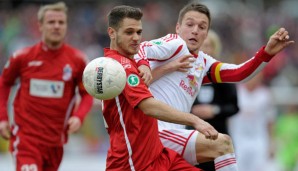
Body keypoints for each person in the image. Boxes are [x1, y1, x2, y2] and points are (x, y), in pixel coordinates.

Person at [134, 2, 294, 171]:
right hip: (155, 133)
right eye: (190, 24)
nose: (195, 30)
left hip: (173, 138)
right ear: (178, 28)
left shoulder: (203, 63)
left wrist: (266, 53)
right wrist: (144, 65)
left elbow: (239, 73)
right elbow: (142, 48)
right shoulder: (175, 43)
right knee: (223, 144)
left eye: (202, 27)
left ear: (206, 34)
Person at [102, 5, 218, 171]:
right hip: (134, 161)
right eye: (129, 32)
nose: (136, 38)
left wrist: (167, 67)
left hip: (157, 155)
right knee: (221, 144)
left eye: (139, 32)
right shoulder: (119, 67)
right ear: (112, 33)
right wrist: (194, 120)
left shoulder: (130, 63)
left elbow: (143, 82)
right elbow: (148, 106)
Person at [0, 2, 93, 171]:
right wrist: (3, 118)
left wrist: (79, 116)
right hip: (26, 139)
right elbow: (4, 83)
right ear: (40, 26)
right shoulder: (23, 57)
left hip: (55, 142)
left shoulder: (77, 60)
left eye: (61, 22)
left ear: (66, 26)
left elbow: (87, 93)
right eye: (51, 22)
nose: (56, 26)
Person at [189, 30, 239, 171]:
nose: (205, 49)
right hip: (193, 139)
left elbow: (234, 106)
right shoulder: (187, 74)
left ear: (215, 48)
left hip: (218, 137)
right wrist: (192, 112)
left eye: (208, 45)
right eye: (202, 45)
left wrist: (214, 110)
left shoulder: (222, 76)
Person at [228, 72, 277, 171]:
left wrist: (271, 142)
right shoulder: (236, 92)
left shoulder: (265, 95)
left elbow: (270, 120)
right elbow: (228, 116)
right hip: (238, 139)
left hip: (259, 139)